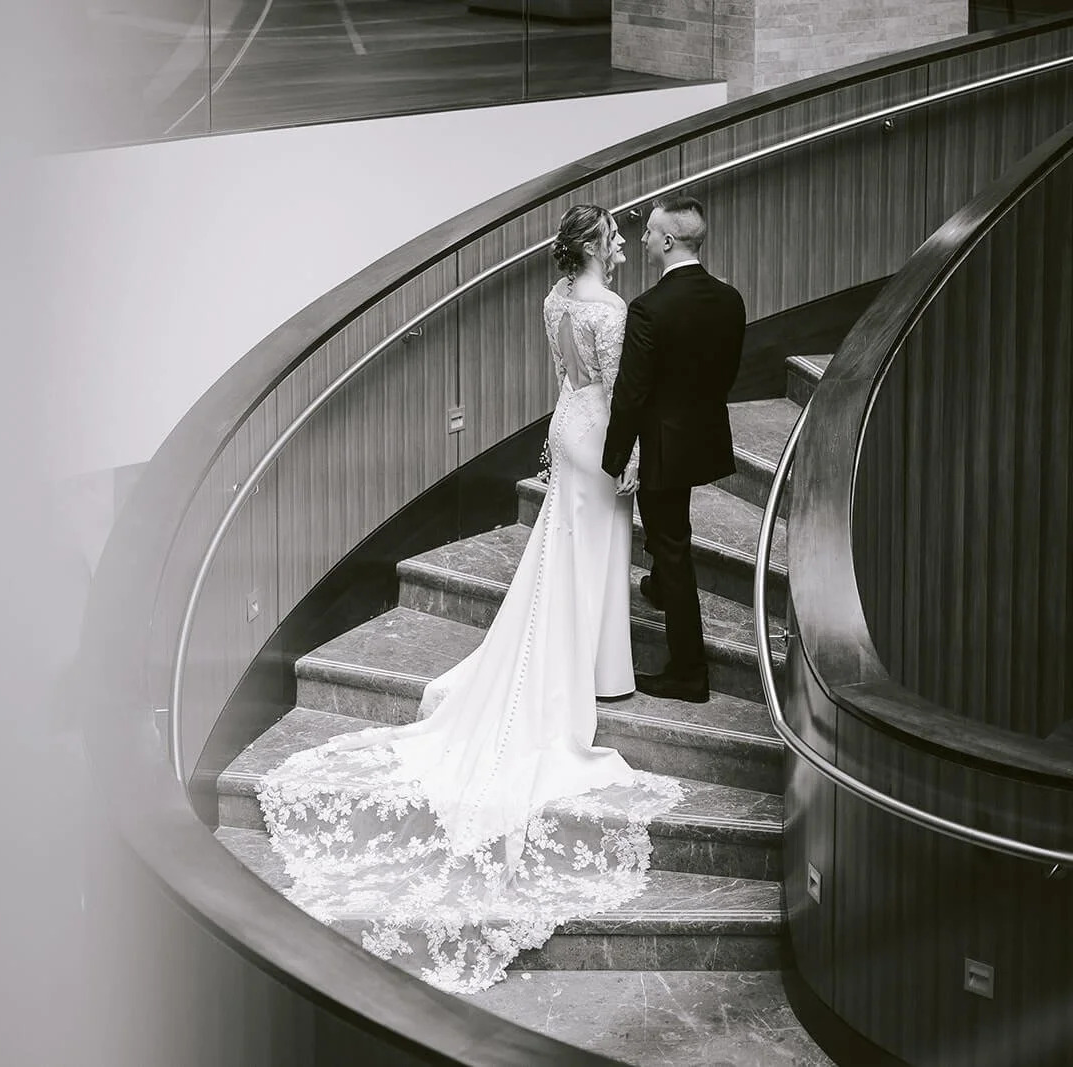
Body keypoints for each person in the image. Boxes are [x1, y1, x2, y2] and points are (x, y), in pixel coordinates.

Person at [256, 205, 684, 995]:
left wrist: (567, 439)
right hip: (597, 439)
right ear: (594, 245)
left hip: (565, 428)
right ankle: (592, 669)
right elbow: (620, 391)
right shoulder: (610, 308)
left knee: (567, 553)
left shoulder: (555, 301)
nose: (625, 245)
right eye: (617, 237)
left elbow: (568, 377)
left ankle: (579, 658)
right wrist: (626, 461)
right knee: (596, 552)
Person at [602, 194, 747, 704]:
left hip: (662, 444)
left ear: (667, 241)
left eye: (648, 232)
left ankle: (689, 671)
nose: (641, 239)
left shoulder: (649, 308)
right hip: (701, 435)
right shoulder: (730, 299)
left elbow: (632, 393)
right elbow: (727, 373)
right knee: (671, 528)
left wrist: (615, 457)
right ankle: (660, 587)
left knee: (671, 543)